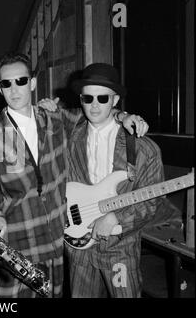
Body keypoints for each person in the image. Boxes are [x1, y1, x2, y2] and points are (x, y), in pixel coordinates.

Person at [0, 52, 147, 298]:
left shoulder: (56, 119)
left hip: (56, 244)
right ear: (0, 88)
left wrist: (123, 116)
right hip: (16, 241)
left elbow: (96, 110)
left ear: (32, 82)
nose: (14, 89)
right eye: (6, 83)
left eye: (20, 81)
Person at [62, 63, 177, 297]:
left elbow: (151, 202)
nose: (94, 105)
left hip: (120, 248)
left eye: (103, 98)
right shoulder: (71, 134)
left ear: (115, 101)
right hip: (79, 246)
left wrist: (116, 217)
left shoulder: (143, 148)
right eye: (87, 98)